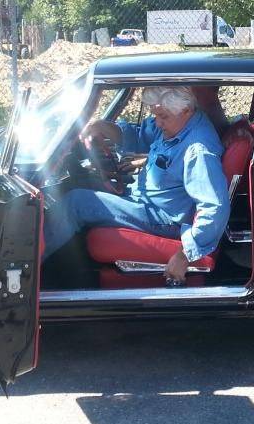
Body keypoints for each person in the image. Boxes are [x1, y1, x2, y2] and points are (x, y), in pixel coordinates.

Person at [42, 86, 230, 284]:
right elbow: (141, 136)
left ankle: (26, 265)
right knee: (84, 183)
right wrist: (101, 126)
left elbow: (214, 207)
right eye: (155, 115)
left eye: (162, 116)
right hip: (144, 201)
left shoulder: (198, 150)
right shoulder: (179, 122)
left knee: (76, 203)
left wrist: (185, 254)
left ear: (186, 110)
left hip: (163, 218)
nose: (158, 122)